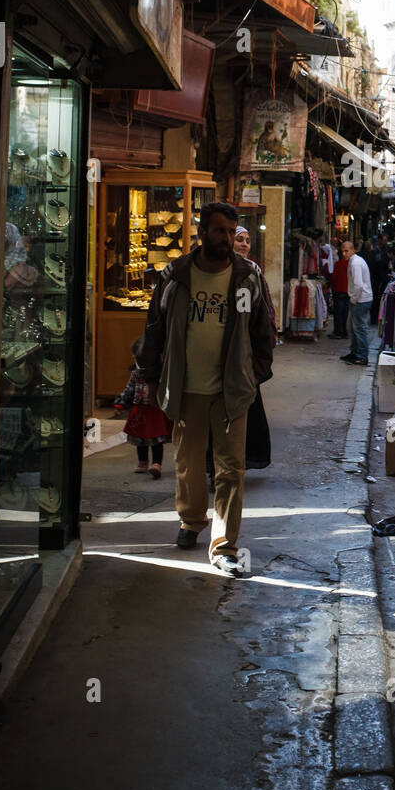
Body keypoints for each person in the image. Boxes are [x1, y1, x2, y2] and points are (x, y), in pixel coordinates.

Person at [139, 201, 275, 576]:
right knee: (188, 463)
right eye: (220, 231)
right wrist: (150, 377)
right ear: (203, 233)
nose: (228, 239)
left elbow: (264, 328)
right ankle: (190, 520)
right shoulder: (177, 275)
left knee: (231, 468)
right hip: (186, 388)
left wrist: (255, 373)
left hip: (232, 390)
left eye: (232, 232)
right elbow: (155, 327)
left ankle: (224, 544)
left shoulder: (247, 276)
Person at [203, 224, 276, 487]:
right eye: (239, 239)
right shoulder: (205, 271)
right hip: (210, 360)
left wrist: (259, 361)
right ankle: (215, 468)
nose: (244, 244)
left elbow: (263, 316)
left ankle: (229, 467)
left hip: (242, 359)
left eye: (247, 240)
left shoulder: (252, 272)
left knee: (238, 415)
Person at [114, 336, 173, 479]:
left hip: (154, 409)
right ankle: (143, 461)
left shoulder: (159, 373)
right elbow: (130, 388)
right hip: (140, 408)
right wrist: (122, 401)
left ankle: (156, 463)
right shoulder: (136, 373)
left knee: (156, 438)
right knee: (140, 438)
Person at [340, 239, 373, 366]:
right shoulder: (353, 261)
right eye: (342, 251)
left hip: (360, 300)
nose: (344, 254)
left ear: (353, 250)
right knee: (353, 328)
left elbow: (359, 285)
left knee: (359, 328)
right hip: (359, 299)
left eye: (346, 251)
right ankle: (355, 353)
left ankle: (362, 356)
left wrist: (353, 300)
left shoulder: (355, 263)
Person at [328, 244, 351, 338]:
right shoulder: (350, 264)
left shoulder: (338, 264)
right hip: (348, 291)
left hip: (339, 290)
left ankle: (338, 332)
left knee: (338, 312)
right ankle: (344, 331)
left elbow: (334, 278)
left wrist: (330, 285)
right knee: (345, 312)